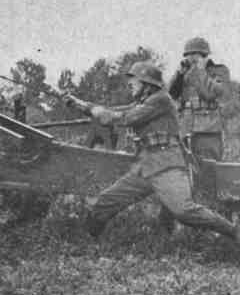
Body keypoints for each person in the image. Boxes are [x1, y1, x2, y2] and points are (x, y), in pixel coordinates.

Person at [64, 60, 240, 242]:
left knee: (183, 211)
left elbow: (123, 117)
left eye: (134, 80)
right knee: (106, 201)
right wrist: (80, 104)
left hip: (167, 166)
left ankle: (234, 231)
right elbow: (113, 111)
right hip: (146, 166)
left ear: (147, 84)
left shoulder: (160, 100)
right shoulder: (145, 102)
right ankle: (87, 240)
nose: (130, 84)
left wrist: (97, 111)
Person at [168, 37, 231, 160]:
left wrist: (201, 71)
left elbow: (210, 94)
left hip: (208, 128)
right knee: (183, 165)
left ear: (204, 55)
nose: (190, 58)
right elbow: (171, 94)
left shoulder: (219, 70)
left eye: (194, 54)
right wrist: (179, 74)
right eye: (188, 55)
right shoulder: (186, 73)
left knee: (208, 165)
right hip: (185, 127)